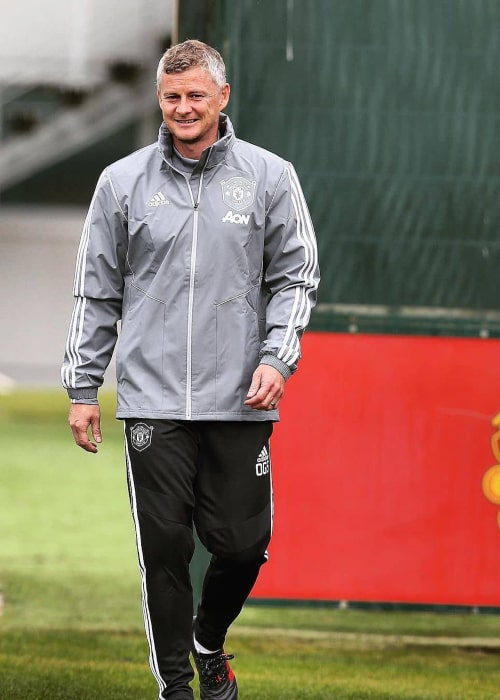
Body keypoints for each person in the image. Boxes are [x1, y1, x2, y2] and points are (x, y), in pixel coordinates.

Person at [61, 39, 319, 700]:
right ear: (160, 100)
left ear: (222, 99)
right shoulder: (120, 183)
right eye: (172, 97)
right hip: (152, 405)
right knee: (165, 554)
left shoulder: (269, 177)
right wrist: (83, 386)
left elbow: (296, 278)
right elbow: (97, 291)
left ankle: (210, 641)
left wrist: (276, 359)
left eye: (195, 96)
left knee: (242, 545)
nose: (183, 107)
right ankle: (177, 688)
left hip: (241, 400)